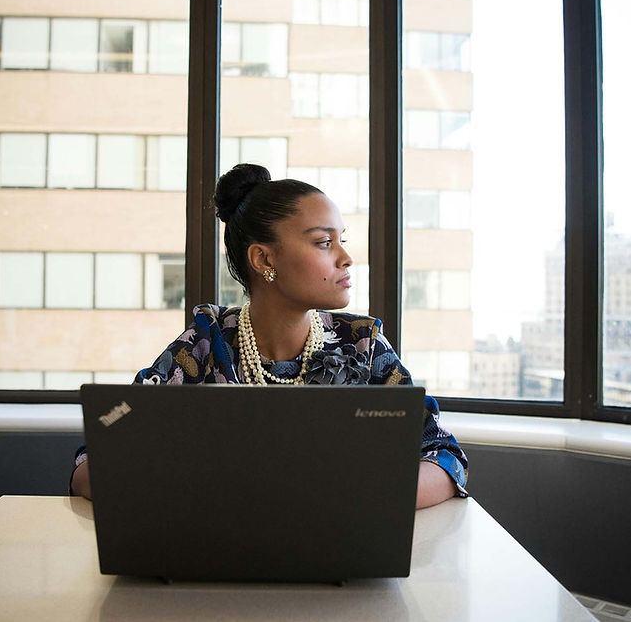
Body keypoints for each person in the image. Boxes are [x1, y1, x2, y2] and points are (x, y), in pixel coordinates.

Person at [71, 163, 468, 507]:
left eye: (341, 241)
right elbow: (95, 456)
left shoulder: (363, 344)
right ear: (263, 258)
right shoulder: (205, 343)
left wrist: (356, 496)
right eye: (324, 242)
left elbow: (444, 456)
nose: (346, 258)